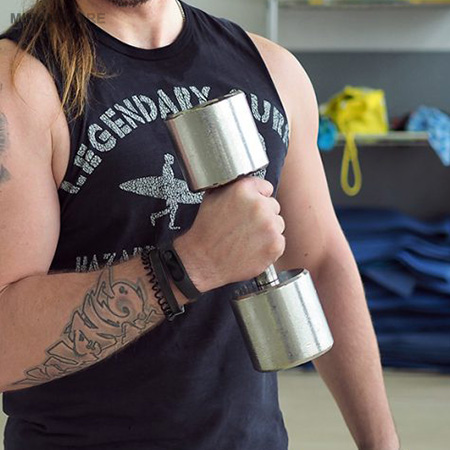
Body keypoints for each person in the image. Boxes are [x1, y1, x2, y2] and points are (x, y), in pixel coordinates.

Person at [0, 0, 400, 449]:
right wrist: (189, 265)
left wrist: (382, 444)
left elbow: (320, 261)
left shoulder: (272, 69)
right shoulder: (18, 83)